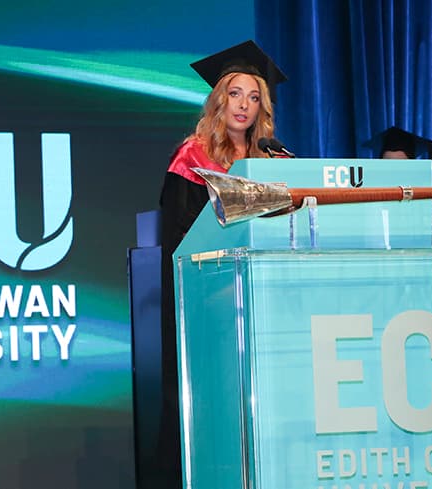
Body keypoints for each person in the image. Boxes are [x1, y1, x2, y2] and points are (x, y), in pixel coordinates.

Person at [157, 40, 286, 488]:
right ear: (219, 100)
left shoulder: (273, 160)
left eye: (253, 97)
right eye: (235, 94)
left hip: (264, 305)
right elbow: (176, 240)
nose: (244, 105)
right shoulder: (191, 159)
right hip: (209, 305)